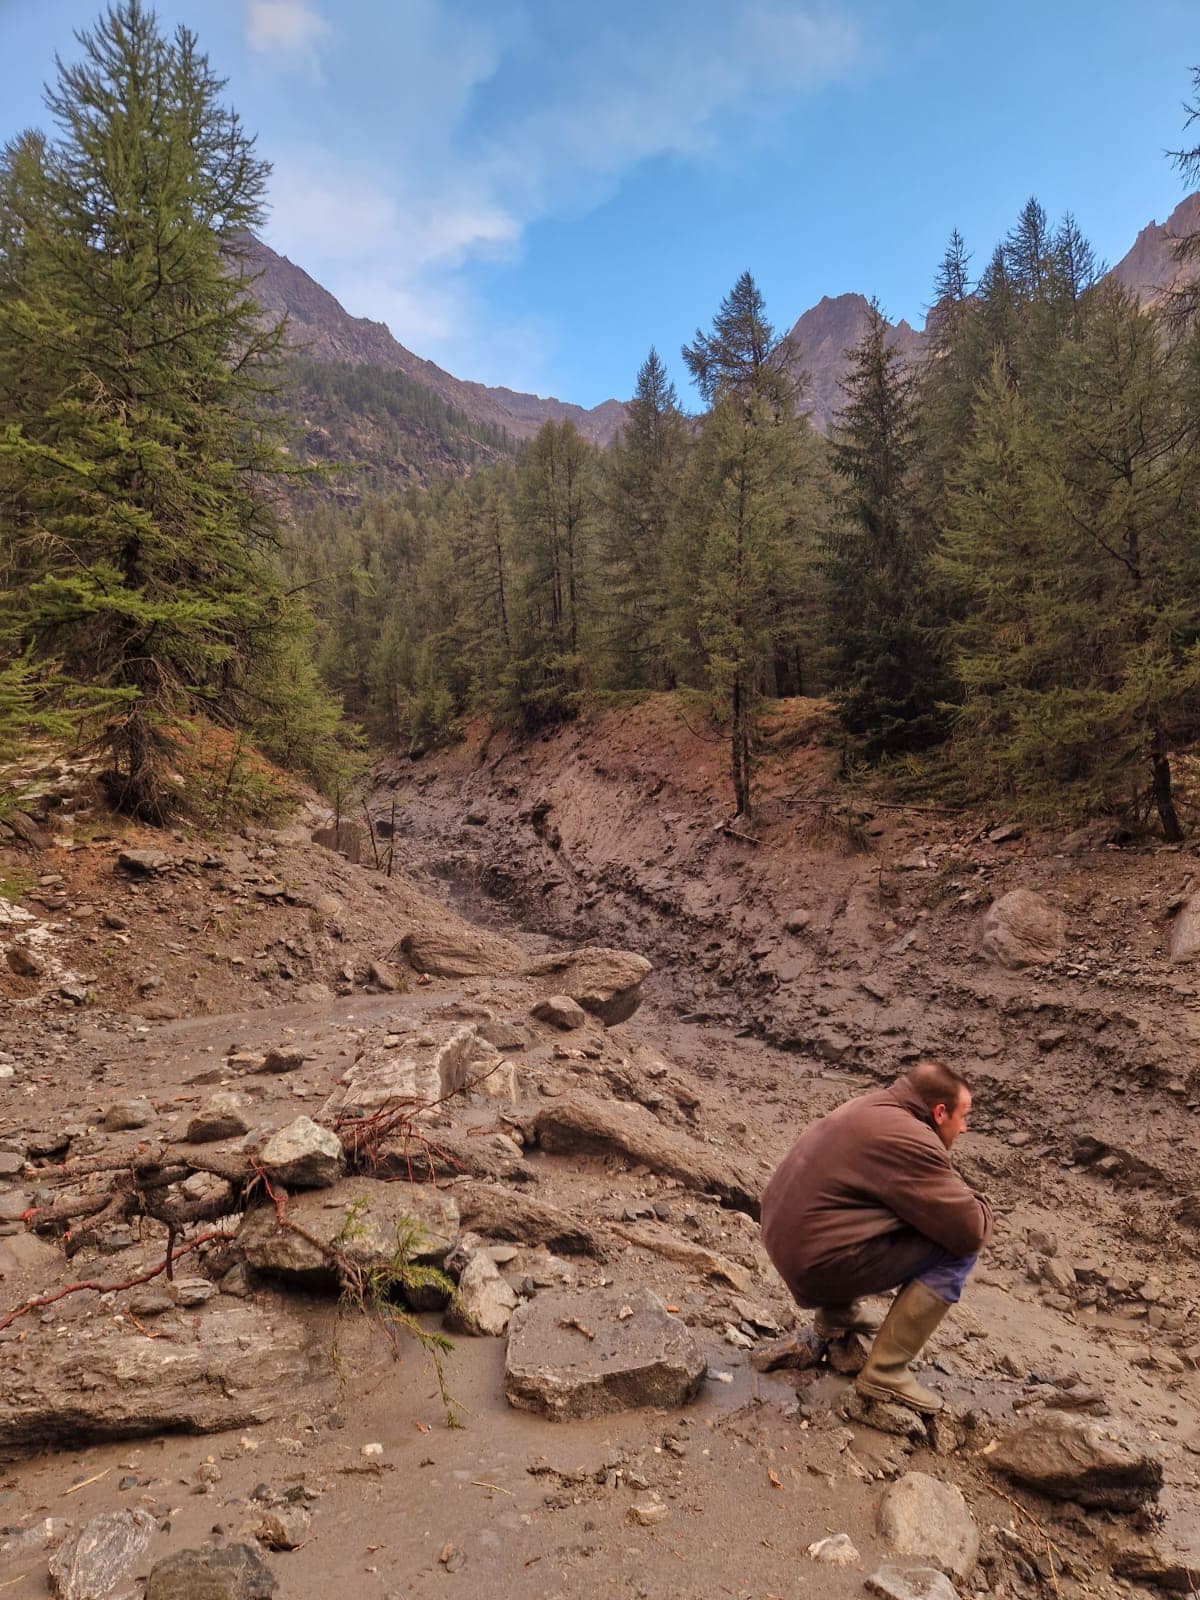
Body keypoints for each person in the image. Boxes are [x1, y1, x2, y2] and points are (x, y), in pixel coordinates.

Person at [760, 1060, 991, 1414]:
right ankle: (885, 1371)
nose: (965, 1128)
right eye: (964, 1116)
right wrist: (983, 1204)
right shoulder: (909, 1137)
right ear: (940, 1112)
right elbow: (970, 1231)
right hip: (813, 1264)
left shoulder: (872, 1106)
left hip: (786, 1242)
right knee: (954, 1249)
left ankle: (837, 1314)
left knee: (898, 1212)